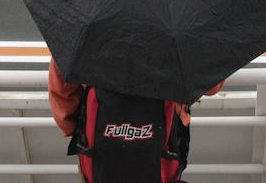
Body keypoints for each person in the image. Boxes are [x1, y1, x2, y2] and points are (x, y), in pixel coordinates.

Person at [49, 58, 224, 183]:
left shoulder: (86, 16)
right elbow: (211, 85)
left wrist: (77, 130)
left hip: (97, 151)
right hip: (163, 152)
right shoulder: (180, 17)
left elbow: (62, 93)